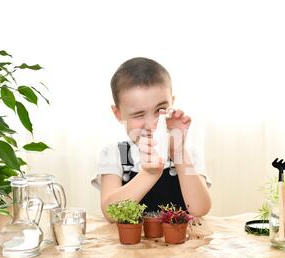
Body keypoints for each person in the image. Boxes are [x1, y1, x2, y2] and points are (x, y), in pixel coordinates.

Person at [91, 57, 212, 222]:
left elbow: (199, 209)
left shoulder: (187, 152)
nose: (151, 124)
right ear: (118, 114)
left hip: (180, 245)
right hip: (132, 246)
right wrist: (149, 174)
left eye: (160, 109)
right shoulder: (115, 153)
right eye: (138, 114)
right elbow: (112, 214)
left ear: (172, 102)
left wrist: (178, 153)